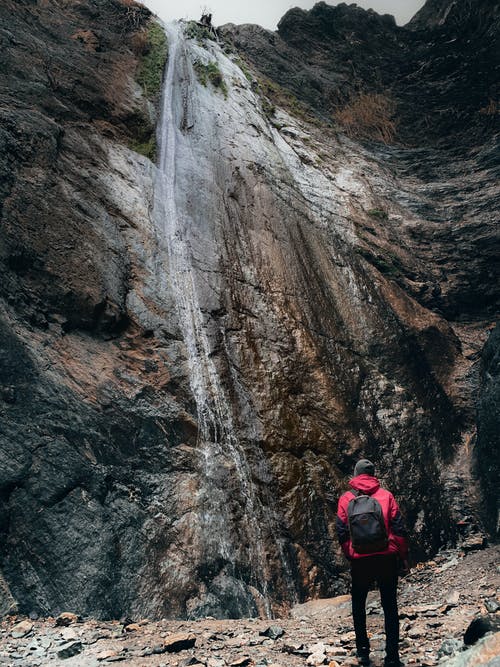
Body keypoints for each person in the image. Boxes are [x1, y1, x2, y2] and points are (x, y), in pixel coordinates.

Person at [336, 459, 409, 667]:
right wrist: (402, 556)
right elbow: (399, 529)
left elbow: (341, 531)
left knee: (358, 606)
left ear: (356, 474)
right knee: (390, 607)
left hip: (360, 561)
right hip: (386, 557)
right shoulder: (386, 496)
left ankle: (362, 652)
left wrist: (351, 553)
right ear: (373, 474)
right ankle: (392, 656)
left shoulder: (346, 499)